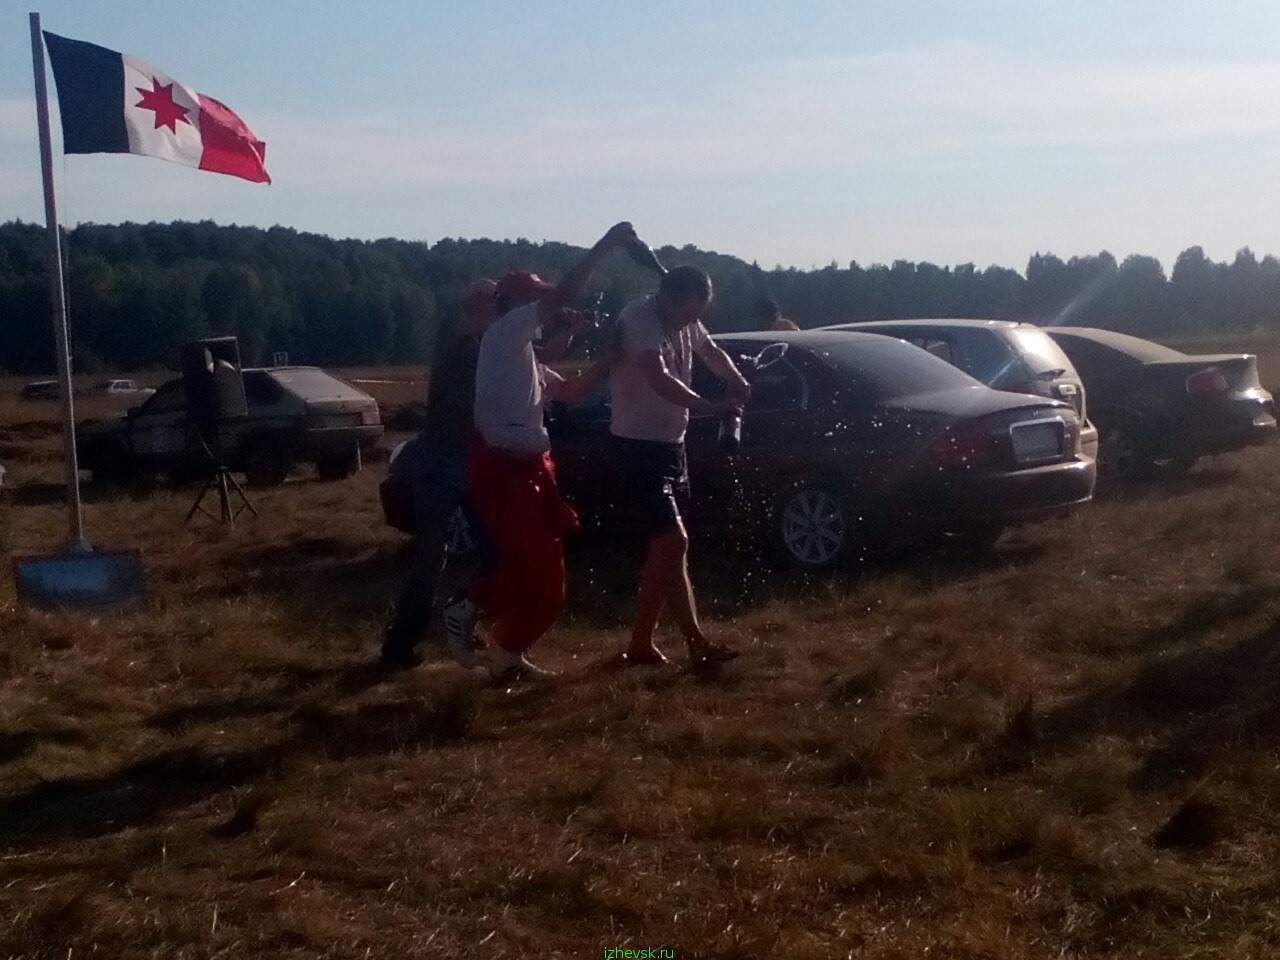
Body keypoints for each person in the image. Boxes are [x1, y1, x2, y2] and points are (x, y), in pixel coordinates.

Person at [466, 221, 639, 683]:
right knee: (538, 572)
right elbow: (562, 296)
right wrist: (606, 245)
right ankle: (470, 607)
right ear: (518, 304)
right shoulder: (504, 332)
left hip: (528, 468)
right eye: (538, 299)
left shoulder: (521, 352)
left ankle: (505, 654)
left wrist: (611, 358)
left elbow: (572, 391)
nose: (548, 308)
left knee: (546, 572)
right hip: (503, 470)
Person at [609, 266, 751, 666]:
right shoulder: (639, 319)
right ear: (667, 298)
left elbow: (711, 351)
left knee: (669, 551)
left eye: (697, 315)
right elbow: (658, 377)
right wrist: (710, 407)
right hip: (637, 446)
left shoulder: (686, 320)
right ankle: (676, 643)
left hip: (673, 444)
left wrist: (735, 378)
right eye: (687, 313)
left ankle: (660, 644)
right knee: (674, 542)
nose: (691, 322)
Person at [380, 279, 497, 670]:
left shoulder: (475, 346)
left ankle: (459, 620)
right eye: (492, 307)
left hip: (462, 459)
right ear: (476, 309)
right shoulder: (460, 344)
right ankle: (402, 642)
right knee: (433, 555)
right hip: (441, 460)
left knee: (488, 548)